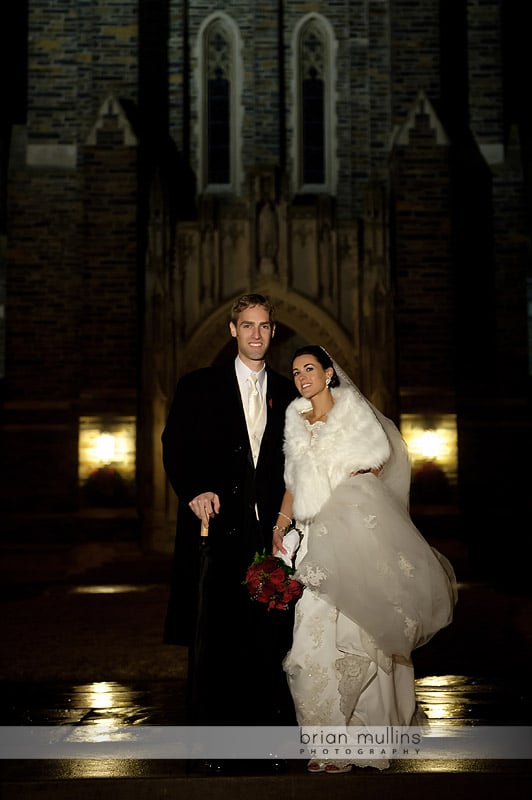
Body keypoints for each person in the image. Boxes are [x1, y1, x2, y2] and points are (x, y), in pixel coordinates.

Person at [273, 345, 457, 774]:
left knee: (357, 636)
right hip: (312, 540)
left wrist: (345, 502)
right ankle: (323, 741)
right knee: (309, 641)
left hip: (352, 538)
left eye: (309, 369)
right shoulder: (295, 421)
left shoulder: (354, 416)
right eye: (296, 371)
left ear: (328, 372)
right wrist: (281, 526)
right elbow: (293, 483)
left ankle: (361, 741)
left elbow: (373, 471)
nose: (302, 377)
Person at [162, 294, 298, 770]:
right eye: (247, 325)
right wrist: (195, 490)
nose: (256, 334)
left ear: (273, 332)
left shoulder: (289, 392)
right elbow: (175, 446)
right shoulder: (198, 386)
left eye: (264, 326)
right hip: (215, 533)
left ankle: (271, 746)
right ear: (232, 330)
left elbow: (299, 464)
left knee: (268, 641)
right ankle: (211, 751)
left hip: (271, 538)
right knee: (214, 642)